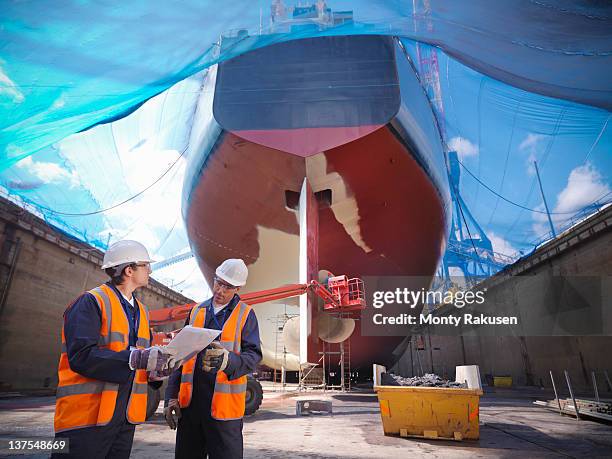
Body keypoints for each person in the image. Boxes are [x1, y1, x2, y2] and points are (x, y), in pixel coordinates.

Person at [53, 240, 174, 459]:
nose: (150, 270)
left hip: (124, 419)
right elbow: (81, 356)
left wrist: (155, 372)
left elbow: (137, 360)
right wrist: (136, 358)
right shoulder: (91, 302)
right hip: (85, 420)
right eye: (146, 265)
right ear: (129, 270)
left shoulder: (142, 312)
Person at [164, 258, 262, 459]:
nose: (220, 290)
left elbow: (253, 356)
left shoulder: (246, 315)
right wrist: (171, 396)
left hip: (224, 413)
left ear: (238, 288)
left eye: (228, 286)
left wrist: (228, 362)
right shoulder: (196, 311)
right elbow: (179, 356)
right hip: (190, 409)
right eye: (218, 282)